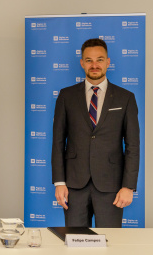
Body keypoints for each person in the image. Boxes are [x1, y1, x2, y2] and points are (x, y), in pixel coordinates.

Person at [51, 38, 140, 228]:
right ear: (82, 63)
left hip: (112, 186)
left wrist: (128, 186)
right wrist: (59, 182)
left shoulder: (126, 98)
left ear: (108, 62)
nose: (94, 65)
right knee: (75, 242)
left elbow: (133, 145)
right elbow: (58, 142)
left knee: (111, 242)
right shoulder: (66, 96)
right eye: (89, 60)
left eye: (99, 59)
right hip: (74, 185)